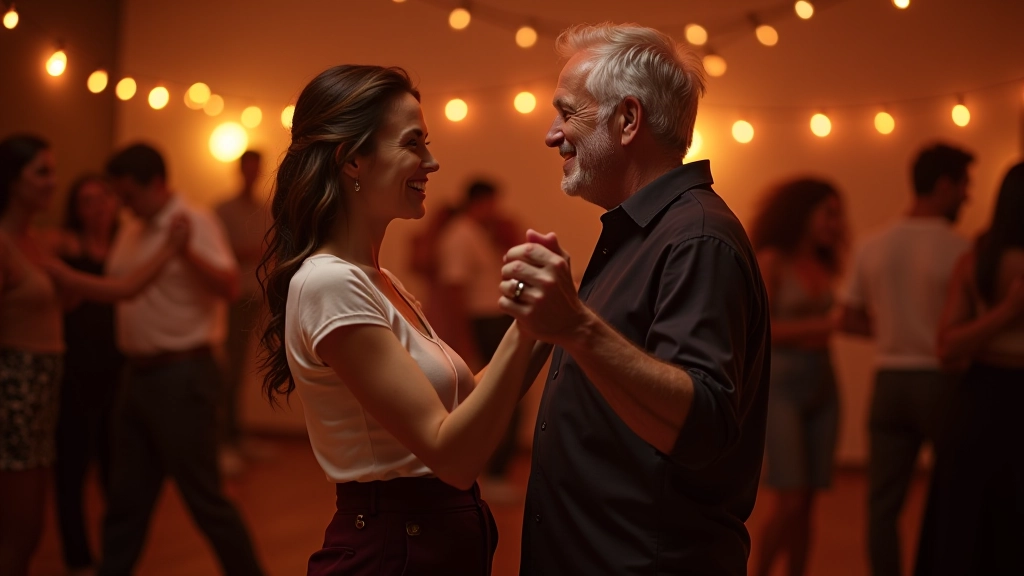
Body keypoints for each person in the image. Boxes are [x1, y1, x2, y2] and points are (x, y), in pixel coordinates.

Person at [498, 24, 771, 575]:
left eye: (567, 112)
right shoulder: (642, 231)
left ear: (627, 120)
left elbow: (703, 424)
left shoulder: (696, 238)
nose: (553, 135)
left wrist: (575, 324)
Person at [257, 64, 547, 576]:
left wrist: (549, 326)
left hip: (429, 542)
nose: (431, 162)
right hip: (392, 550)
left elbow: (464, 410)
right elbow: (450, 455)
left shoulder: (379, 279)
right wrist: (527, 325)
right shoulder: (329, 282)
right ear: (353, 161)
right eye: (414, 143)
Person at [0, 134, 186, 576]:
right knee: (19, 532)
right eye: (42, 172)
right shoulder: (16, 243)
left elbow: (61, 304)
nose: (53, 182)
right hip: (18, 393)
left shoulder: (36, 242)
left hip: (46, 388)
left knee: (27, 531)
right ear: (11, 180)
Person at [97, 143, 265, 576]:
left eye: (128, 195)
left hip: (182, 375)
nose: (123, 205)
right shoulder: (133, 225)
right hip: (138, 374)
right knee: (127, 497)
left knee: (204, 497)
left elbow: (229, 286)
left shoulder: (193, 220)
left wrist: (185, 250)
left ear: (155, 184)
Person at [838, 143, 973, 576]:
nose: (968, 197)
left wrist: (895, 330)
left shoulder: (872, 243)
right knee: (955, 497)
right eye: (965, 187)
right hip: (943, 381)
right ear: (945, 185)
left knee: (882, 505)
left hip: (889, 382)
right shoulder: (961, 249)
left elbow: (848, 317)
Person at [914, 161, 1024, 576]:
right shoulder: (978, 259)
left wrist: (1000, 314)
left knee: (969, 524)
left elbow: (949, 346)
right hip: (994, 398)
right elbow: (947, 347)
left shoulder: (980, 259)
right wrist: (1010, 311)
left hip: (980, 399)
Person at [749, 179, 847, 576]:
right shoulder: (772, 260)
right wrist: (824, 325)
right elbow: (762, 329)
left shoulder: (824, 265)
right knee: (789, 499)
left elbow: (840, 322)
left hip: (824, 384)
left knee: (808, 504)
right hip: (782, 389)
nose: (836, 223)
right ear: (801, 214)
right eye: (828, 213)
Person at [53, 174, 125, 574]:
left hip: (118, 369)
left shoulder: (125, 247)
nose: (98, 207)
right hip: (75, 372)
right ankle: (78, 558)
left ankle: (114, 558)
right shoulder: (65, 246)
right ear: (76, 209)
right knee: (72, 467)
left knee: (117, 470)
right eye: (87, 201)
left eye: (104, 199)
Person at [436, 179, 524, 494]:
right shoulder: (460, 234)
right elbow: (454, 290)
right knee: (499, 394)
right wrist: (463, 340)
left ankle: (496, 470)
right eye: (491, 203)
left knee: (509, 393)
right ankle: (491, 473)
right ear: (479, 202)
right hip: (481, 323)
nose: (495, 211)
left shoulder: (480, 234)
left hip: (494, 320)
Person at [215, 149, 270, 475]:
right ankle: (222, 442)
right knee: (228, 371)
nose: (252, 174)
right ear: (240, 170)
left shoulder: (265, 210)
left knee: (241, 370)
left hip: (254, 297)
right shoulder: (223, 210)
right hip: (231, 299)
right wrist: (253, 253)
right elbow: (217, 251)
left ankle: (235, 436)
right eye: (248, 168)